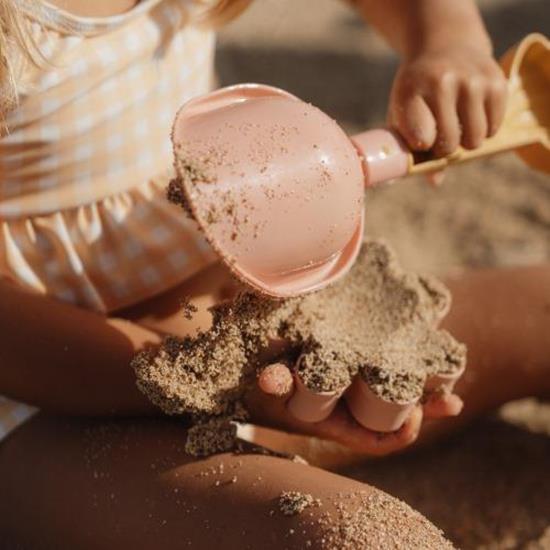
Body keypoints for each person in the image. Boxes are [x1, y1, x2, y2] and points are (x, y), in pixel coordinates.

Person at [1, 0, 537, 547]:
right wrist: (217, 384)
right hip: (46, 407)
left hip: (250, 341)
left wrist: (445, 37)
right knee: (368, 538)